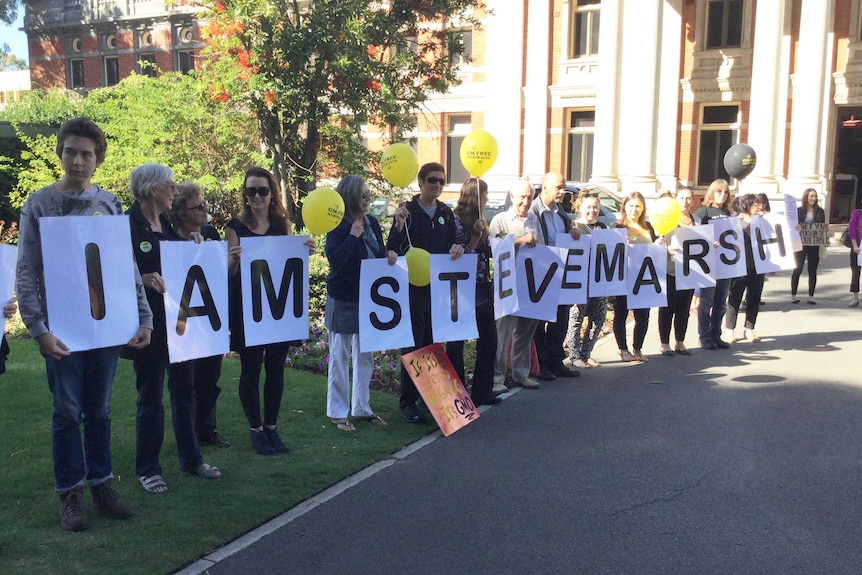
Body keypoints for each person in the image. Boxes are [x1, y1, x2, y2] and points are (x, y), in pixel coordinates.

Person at [16, 117, 153, 530]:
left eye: (86, 154)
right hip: (62, 331)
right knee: (66, 411)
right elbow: (26, 271)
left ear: (98, 159)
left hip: (106, 330)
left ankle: (102, 484)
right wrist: (39, 330)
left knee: (100, 410)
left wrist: (142, 316)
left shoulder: (109, 204)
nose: (78, 161)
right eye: (71, 152)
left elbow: (124, 266)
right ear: (60, 153)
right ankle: (70, 494)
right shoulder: (38, 205)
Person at [127, 164, 222, 494]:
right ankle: (148, 469)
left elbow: (177, 264)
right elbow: (110, 269)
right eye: (170, 187)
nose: (174, 192)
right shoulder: (129, 224)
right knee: (150, 397)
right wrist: (140, 277)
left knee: (185, 392)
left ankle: (191, 458)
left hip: (179, 322)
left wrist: (192, 243)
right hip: (149, 326)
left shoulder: (166, 222)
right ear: (153, 190)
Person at [226, 167, 314, 453]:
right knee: (250, 370)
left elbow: (288, 264)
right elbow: (228, 273)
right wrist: (234, 261)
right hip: (247, 308)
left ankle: (272, 428)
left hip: (277, 308)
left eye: (262, 190)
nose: (256, 196)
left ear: (271, 193)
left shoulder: (282, 224)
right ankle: (256, 429)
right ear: (245, 194)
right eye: (250, 191)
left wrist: (304, 251)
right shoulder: (235, 226)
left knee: (276, 369)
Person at [386, 162, 465, 424]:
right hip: (412, 289)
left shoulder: (445, 212)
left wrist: (458, 247)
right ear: (420, 182)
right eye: (432, 180)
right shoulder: (406, 212)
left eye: (442, 181)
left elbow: (457, 240)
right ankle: (407, 401)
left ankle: (428, 396)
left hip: (439, 289)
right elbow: (392, 249)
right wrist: (397, 228)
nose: (437, 185)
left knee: (433, 343)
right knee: (413, 343)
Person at [324, 175, 397, 431]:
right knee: (339, 355)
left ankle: (362, 407)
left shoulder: (372, 222)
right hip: (343, 297)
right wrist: (353, 236)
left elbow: (378, 252)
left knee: (365, 354)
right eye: (364, 195)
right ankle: (338, 412)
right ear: (351, 197)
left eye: (369, 195)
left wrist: (388, 254)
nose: (368, 200)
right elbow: (336, 261)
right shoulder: (337, 225)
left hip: (368, 297)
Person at [171, 182, 230, 448]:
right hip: (183, 319)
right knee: (187, 381)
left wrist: (232, 257)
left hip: (209, 318)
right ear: (182, 212)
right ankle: (189, 434)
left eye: (204, 204)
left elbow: (219, 270)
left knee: (210, 377)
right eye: (198, 207)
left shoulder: (209, 232)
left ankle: (207, 429)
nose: (205, 210)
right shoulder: (170, 239)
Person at [446, 178, 501, 406]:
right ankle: (458, 394)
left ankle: (482, 390)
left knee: (489, 340)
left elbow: (486, 253)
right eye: (485, 195)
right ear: (475, 197)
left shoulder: (480, 220)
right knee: (456, 343)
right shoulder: (456, 220)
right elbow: (460, 257)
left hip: (481, 287)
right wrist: (477, 237)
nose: (487, 199)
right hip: (460, 288)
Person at [489, 180, 543, 391]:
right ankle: (497, 379)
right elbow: (493, 248)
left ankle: (521, 374)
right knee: (502, 332)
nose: (526, 201)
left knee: (526, 331)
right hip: (507, 283)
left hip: (530, 283)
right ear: (512, 196)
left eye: (529, 197)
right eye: (522, 197)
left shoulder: (533, 219)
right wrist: (521, 240)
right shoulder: (500, 220)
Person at [529, 172, 580, 379]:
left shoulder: (560, 212)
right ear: (545, 187)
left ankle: (556, 360)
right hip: (541, 272)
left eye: (564, 186)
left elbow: (568, 233)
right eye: (558, 187)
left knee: (561, 317)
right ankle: (541, 364)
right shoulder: (534, 211)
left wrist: (573, 231)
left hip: (560, 273)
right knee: (540, 320)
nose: (562, 191)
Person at [611, 191, 657, 363]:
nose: (634, 209)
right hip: (623, 278)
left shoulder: (649, 228)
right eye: (631, 205)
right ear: (624, 207)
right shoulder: (617, 228)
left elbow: (653, 252)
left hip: (643, 279)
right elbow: (610, 253)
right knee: (621, 314)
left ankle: (637, 348)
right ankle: (623, 349)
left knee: (643, 315)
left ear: (643, 208)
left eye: (638, 206)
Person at [566, 191, 608, 368]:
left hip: (599, 280)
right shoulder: (574, 226)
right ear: (580, 207)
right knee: (577, 317)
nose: (593, 210)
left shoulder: (603, 228)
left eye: (596, 207)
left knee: (598, 318)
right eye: (589, 207)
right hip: (579, 279)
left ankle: (586, 353)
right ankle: (574, 356)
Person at [657, 186, 699, 356]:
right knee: (667, 308)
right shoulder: (666, 220)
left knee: (684, 309)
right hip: (670, 270)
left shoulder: (696, 220)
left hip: (689, 272)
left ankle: (680, 342)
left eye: (688, 198)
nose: (685, 201)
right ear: (676, 199)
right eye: (682, 198)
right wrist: (667, 248)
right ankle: (664, 343)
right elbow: (657, 242)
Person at [694, 179, 733, 350]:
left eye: (725, 192)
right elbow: (694, 235)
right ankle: (704, 337)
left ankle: (716, 335)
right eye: (719, 191)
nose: (722, 195)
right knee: (706, 302)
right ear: (712, 192)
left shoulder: (727, 213)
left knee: (721, 302)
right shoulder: (703, 212)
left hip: (725, 265)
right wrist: (708, 242)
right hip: (708, 265)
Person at [724, 194, 766, 343]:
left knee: (754, 297)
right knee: (735, 297)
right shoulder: (736, 220)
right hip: (739, 265)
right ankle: (729, 330)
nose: (759, 207)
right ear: (747, 206)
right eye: (755, 204)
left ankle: (750, 328)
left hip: (758, 265)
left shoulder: (763, 220)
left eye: (759, 204)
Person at [790, 188, 826, 305]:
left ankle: (811, 296)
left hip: (814, 244)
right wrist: (797, 228)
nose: (813, 198)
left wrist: (823, 240)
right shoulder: (799, 211)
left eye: (815, 196)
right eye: (811, 196)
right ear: (806, 197)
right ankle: (793, 295)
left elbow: (822, 226)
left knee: (812, 269)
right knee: (798, 268)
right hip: (800, 244)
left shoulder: (820, 211)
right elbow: (792, 225)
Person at [847, 208, 862, 307]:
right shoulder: (857, 213)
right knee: (856, 273)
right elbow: (851, 229)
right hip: (858, 247)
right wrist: (855, 245)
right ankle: (855, 298)